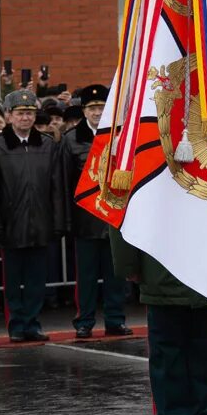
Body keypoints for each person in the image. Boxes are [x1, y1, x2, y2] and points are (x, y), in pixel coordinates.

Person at [109, 228, 207, 415]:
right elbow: (121, 205)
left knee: (202, 352)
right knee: (167, 354)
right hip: (162, 269)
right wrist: (128, 264)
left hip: (204, 270)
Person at [0, 90, 65, 343]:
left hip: (40, 223)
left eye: (29, 113)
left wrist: (58, 222)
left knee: (36, 280)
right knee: (13, 280)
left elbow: (56, 188)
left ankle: (31, 322)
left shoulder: (47, 144)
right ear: (9, 116)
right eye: (20, 113)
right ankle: (16, 324)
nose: (25, 118)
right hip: (11, 225)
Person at [60, 85, 131, 340]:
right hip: (85, 220)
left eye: (101, 107)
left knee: (115, 275)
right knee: (87, 277)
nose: (97, 112)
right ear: (84, 111)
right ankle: (84, 321)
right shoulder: (71, 139)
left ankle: (115, 319)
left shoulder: (121, 135)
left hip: (114, 217)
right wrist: (66, 220)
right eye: (92, 108)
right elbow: (64, 183)